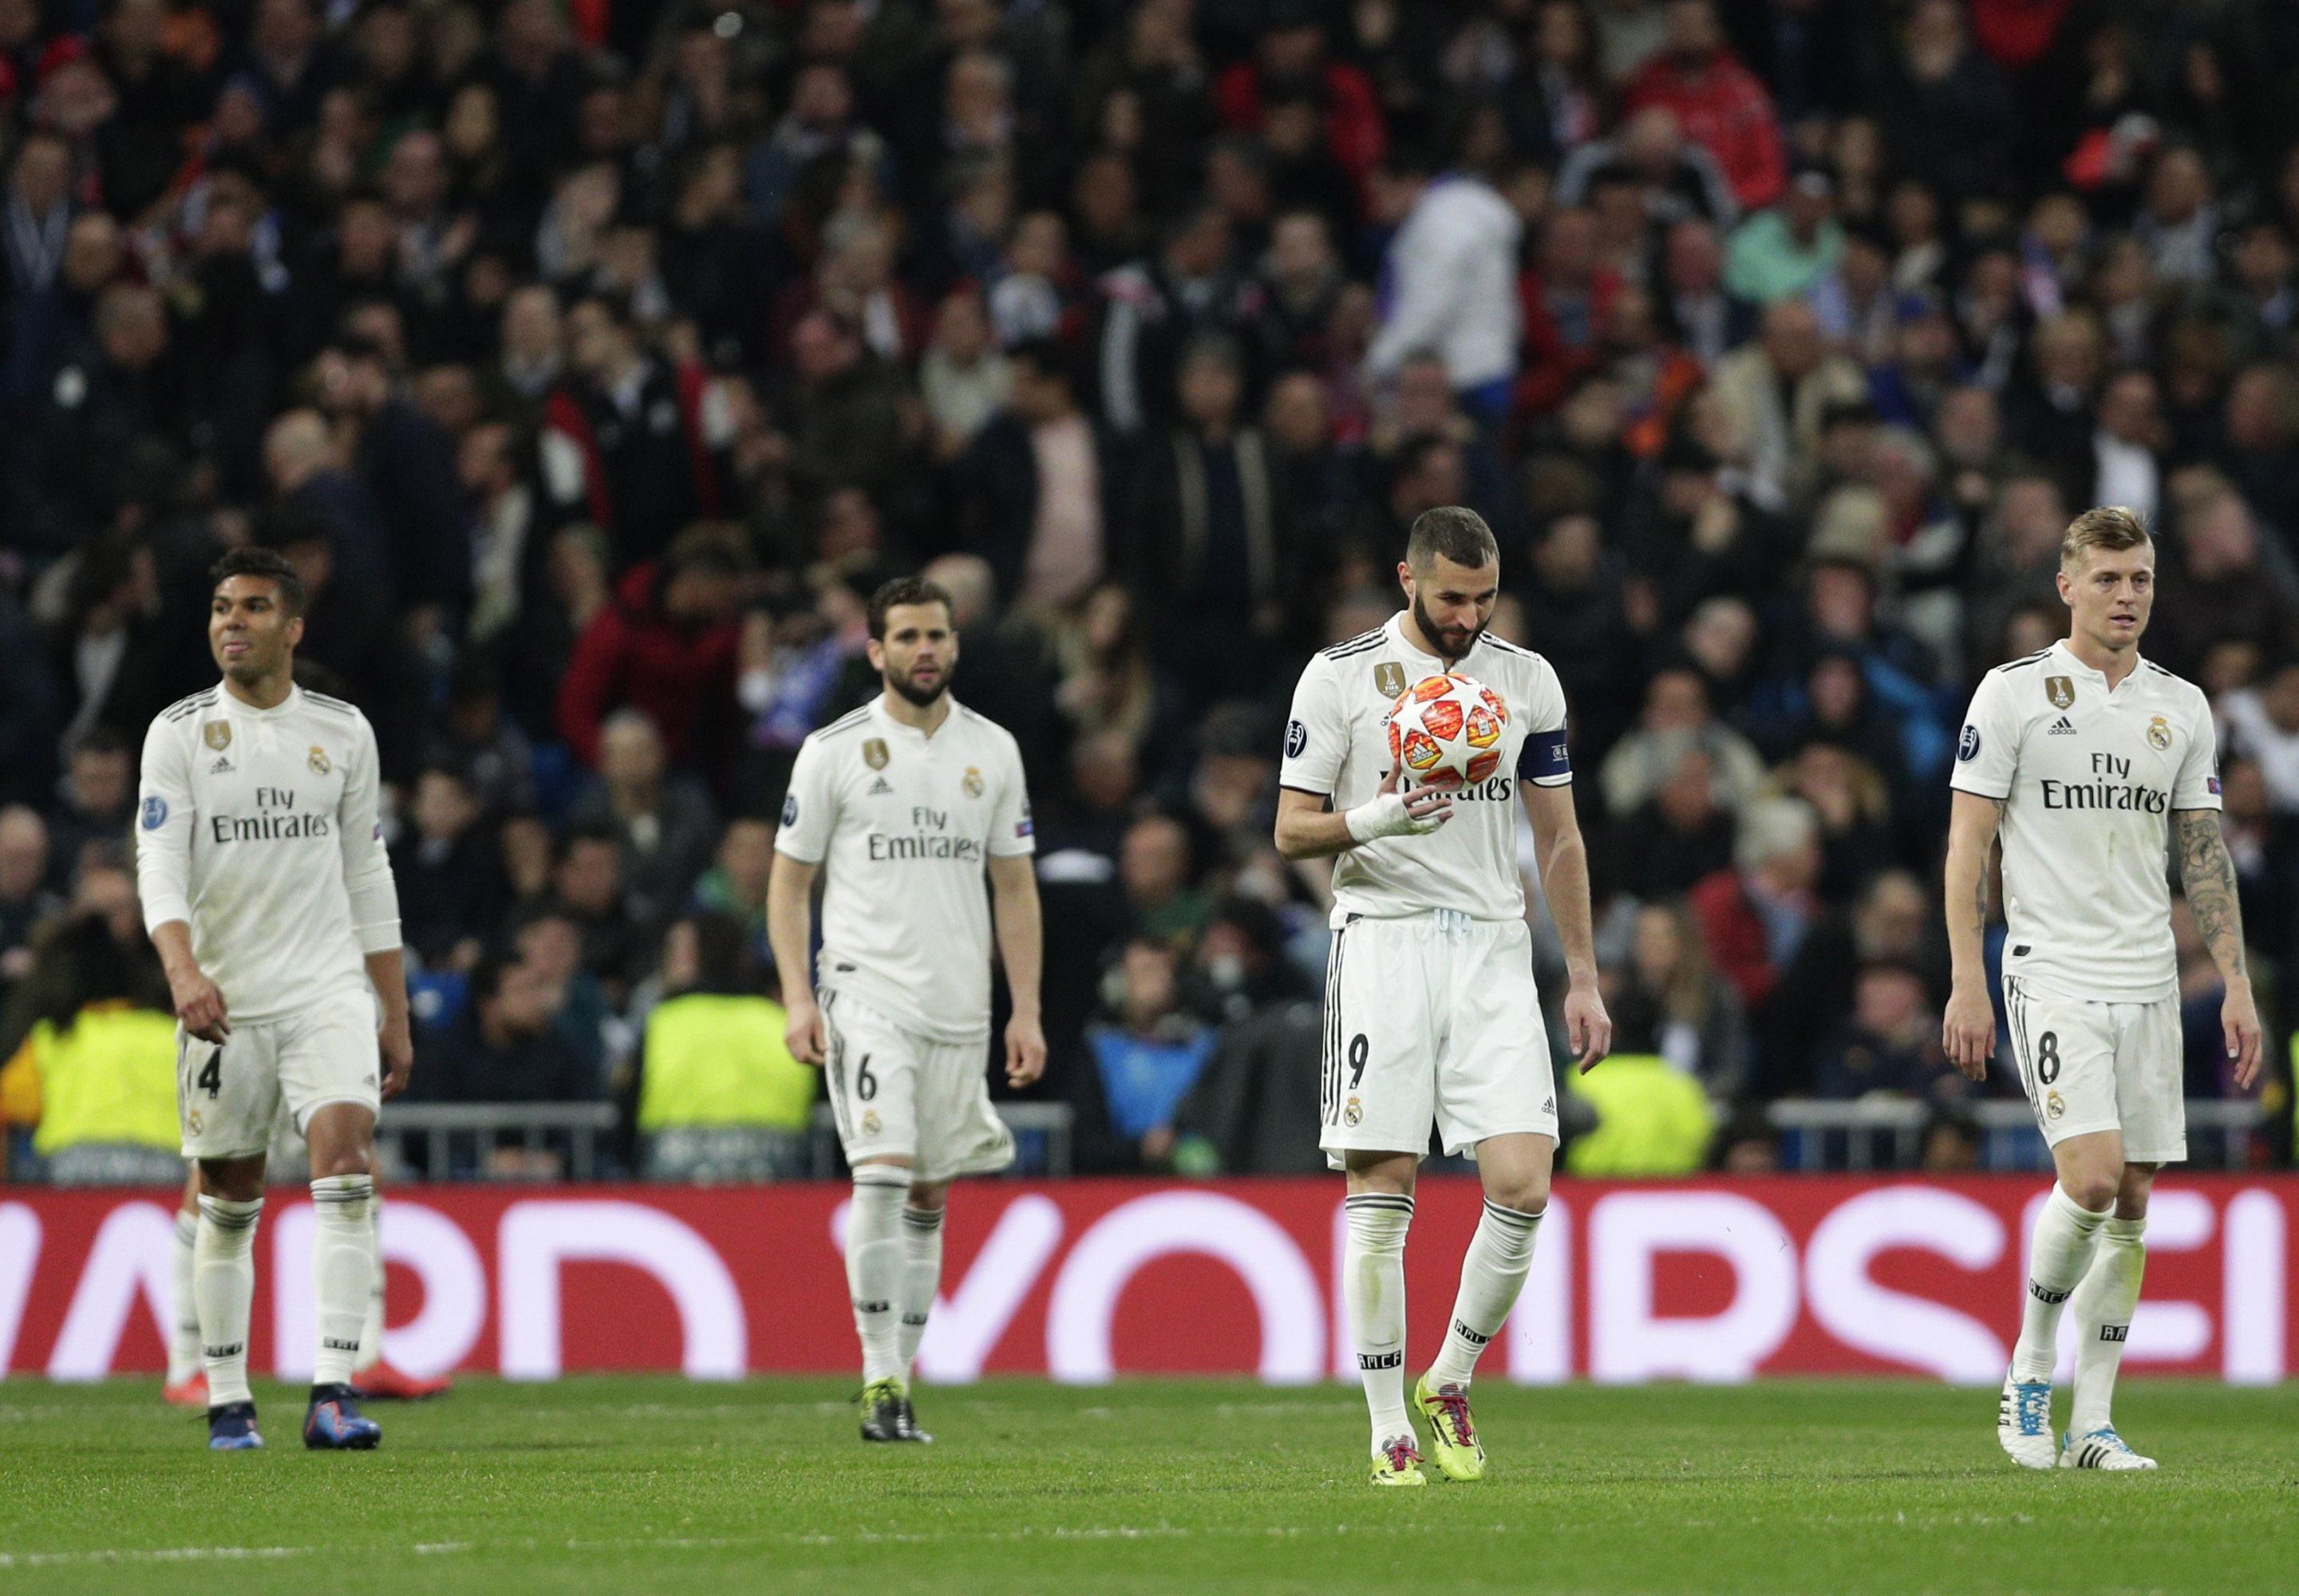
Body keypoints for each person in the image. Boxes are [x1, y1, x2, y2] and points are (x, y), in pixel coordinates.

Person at [1273, 506, 1611, 1487]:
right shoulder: (1339, 676)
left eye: (1483, 596)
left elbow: (1558, 838)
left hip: (1494, 950)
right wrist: (1378, 815)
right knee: (1382, 1189)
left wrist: (1582, 973)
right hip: (1382, 943)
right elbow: (1291, 830)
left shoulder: (1525, 679)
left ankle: (1449, 1374)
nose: (1467, 616)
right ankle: (1386, 1429)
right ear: (1407, 580)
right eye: (1451, 596)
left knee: (1523, 1181)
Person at [1943, 505, 2261, 1472]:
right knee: (2086, 1176)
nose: (2128, 596)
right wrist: (1965, 974)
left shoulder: (2181, 705)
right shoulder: (2012, 694)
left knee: (2131, 1195)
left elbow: (2200, 849)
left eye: (2142, 580)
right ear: (2067, 586)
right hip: (2051, 965)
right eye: (2110, 579)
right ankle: (2030, 1368)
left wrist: (2237, 983)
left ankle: (2095, 1423)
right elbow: (1968, 844)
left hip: (2148, 974)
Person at [134, 546, 413, 1452]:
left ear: (292, 627)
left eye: (252, 607)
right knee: (228, 1195)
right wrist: (183, 971)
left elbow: (368, 874)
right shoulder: (177, 733)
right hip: (225, 998)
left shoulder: (343, 731)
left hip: (326, 988)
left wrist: (392, 1011)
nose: (231, 622)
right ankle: (227, 1398)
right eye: (221, 606)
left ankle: (333, 1389)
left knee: (345, 1161)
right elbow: (160, 869)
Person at [766, 575, 1045, 1445]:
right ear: (874, 649)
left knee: (929, 1190)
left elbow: (1014, 885)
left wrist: (1023, 1009)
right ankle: (877, 1373)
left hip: (959, 1002)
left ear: (954, 645)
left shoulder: (993, 750)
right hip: (866, 989)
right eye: (907, 636)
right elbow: (788, 882)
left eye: (937, 634)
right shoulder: (833, 749)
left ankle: (902, 1382)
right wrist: (799, 996)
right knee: (882, 1169)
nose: (925, 649)